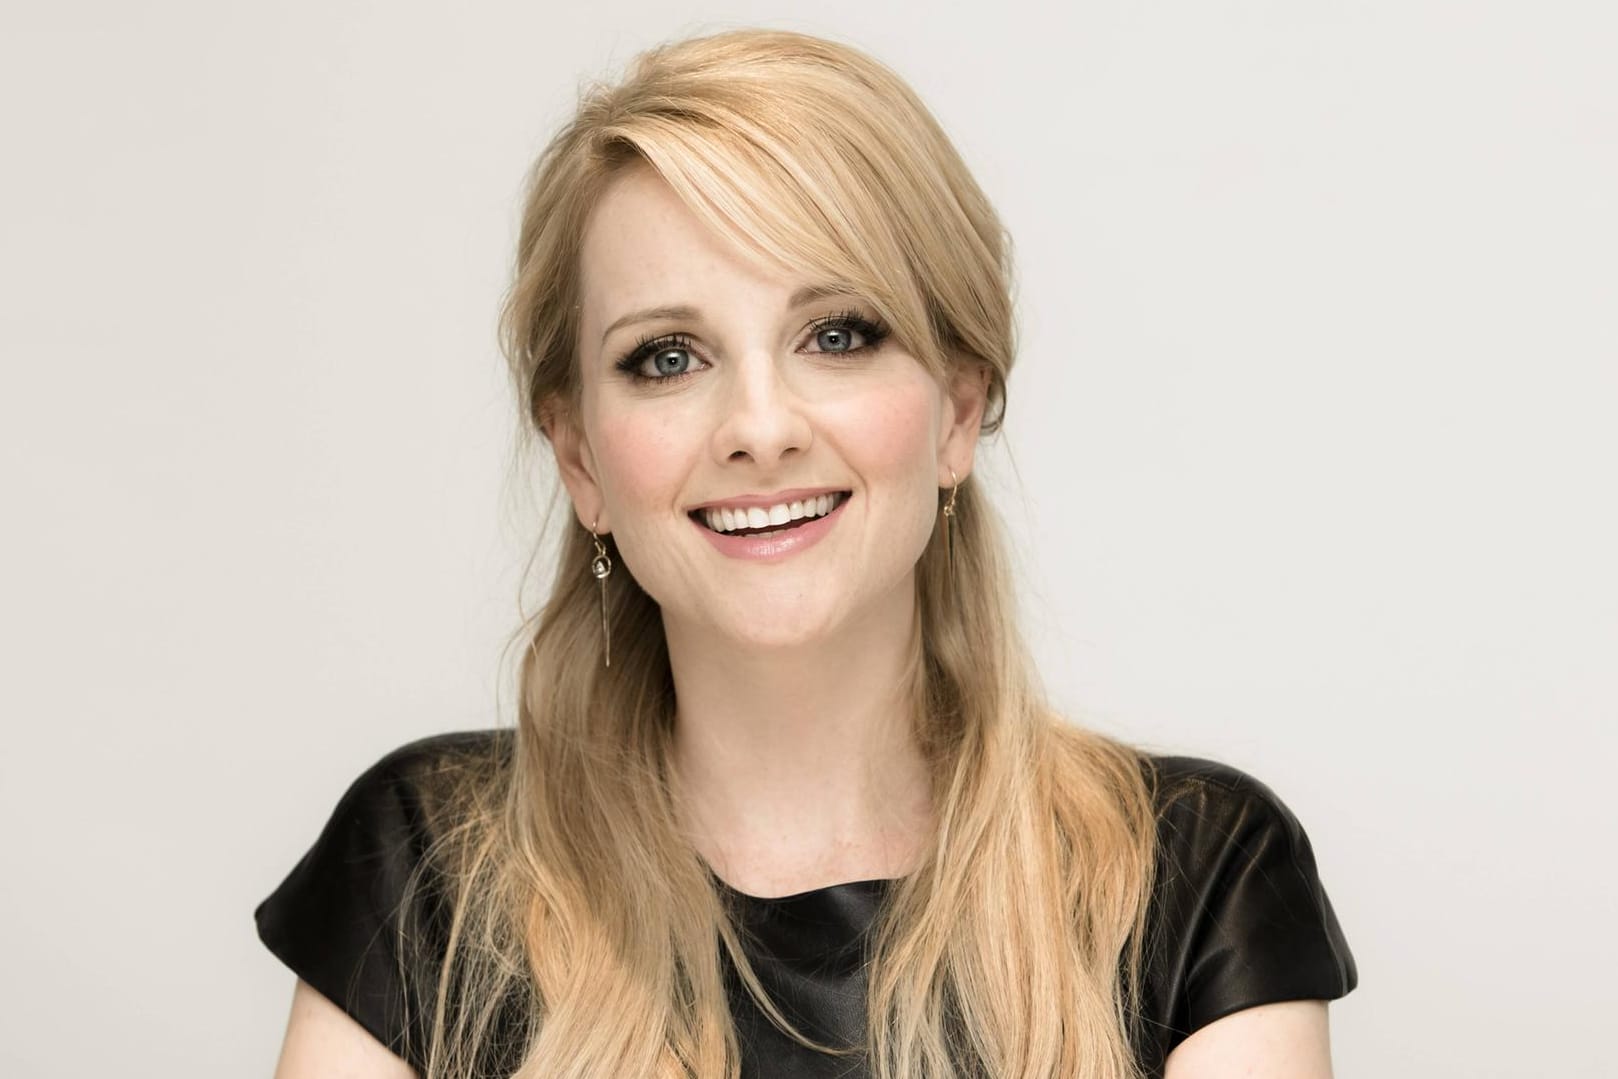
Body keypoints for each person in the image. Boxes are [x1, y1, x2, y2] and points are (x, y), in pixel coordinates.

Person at [255, 28, 1357, 1079]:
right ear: (579, 456)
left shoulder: (1197, 879)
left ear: (957, 412)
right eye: (668, 356)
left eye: (837, 334)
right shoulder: (421, 867)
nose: (760, 426)